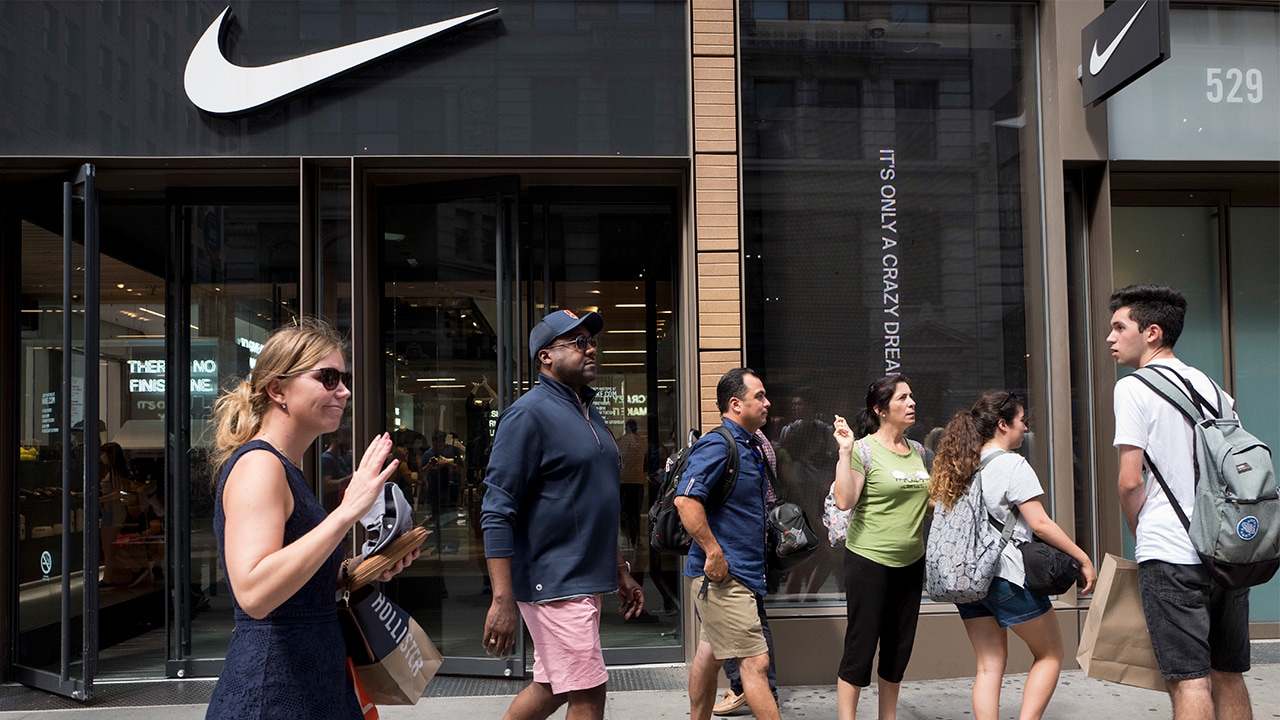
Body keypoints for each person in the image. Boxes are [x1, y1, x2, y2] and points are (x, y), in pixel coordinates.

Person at [205, 318, 419, 720]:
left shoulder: (284, 466)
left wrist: (361, 568)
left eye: (344, 378)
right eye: (328, 377)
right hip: (275, 688)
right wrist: (346, 512)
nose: (344, 390)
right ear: (277, 389)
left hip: (312, 676)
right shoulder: (259, 466)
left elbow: (297, 578)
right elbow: (254, 593)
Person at [480, 309, 645, 720]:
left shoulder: (588, 411)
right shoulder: (527, 414)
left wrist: (619, 567)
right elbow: (497, 509)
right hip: (554, 580)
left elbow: (595, 502)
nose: (590, 348)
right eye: (578, 342)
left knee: (554, 686)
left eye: (592, 341)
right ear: (545, 357)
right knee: (588, 693)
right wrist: (502, 599)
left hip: (584, 577)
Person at [1107, 283, 1254, 720]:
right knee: (1227, 672)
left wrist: (1141, 530)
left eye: (1119, 327)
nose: (1111, 338)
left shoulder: (1133, 388)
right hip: (1227, 551)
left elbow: (1130, 480)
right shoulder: (1213, 388)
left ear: (1152, 332)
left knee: (1188, 678)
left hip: (1171, 551)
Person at [928, 391, 1097, 720]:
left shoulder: (963, 464)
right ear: (1003, 425)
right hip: (1006, 576)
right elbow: (1041, 524)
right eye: (1022, 421)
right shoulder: (1012, 465)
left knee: (988, 667)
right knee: (1050, 654)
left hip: (969, 579)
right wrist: (1083, 559)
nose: (1025, 429)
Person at [676, 368, 780, 720]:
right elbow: (686, 500)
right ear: (736, 404)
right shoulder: (718, 444)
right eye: (760, 397)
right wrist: (713, 551)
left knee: (709, 657)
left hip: (740, 575)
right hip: (726, 575)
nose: (767, 403)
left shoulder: (750, 444)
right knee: (755, 662)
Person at [831, 374, 928, 720]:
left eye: (911, 396)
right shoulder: (863, 450)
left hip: (911, 562)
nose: (911, 402)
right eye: (902, 398)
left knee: (897, 649)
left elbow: (923, 500)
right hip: (869, 563)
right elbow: (844, 500)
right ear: (880, 409)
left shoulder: (917, 451)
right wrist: (845, 451)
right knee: (861, 647)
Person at [712, 426, 780, 716]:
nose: (765, 404)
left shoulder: (744, 443)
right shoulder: (758, 442)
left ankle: (745, 688)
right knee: (715, 637)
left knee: (744, 624)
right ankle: (762, 690)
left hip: (738, 549)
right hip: (752, 545)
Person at [98, 442, 131, 586]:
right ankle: (109, 577)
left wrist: (100, 499)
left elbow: (119, 493)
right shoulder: (112, 472)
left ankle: (108, 578)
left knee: (109, 548)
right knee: (108, 548)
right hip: (108, 511)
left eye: (103, 454)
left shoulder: (115, 473)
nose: (101, 457)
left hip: (112, 512)